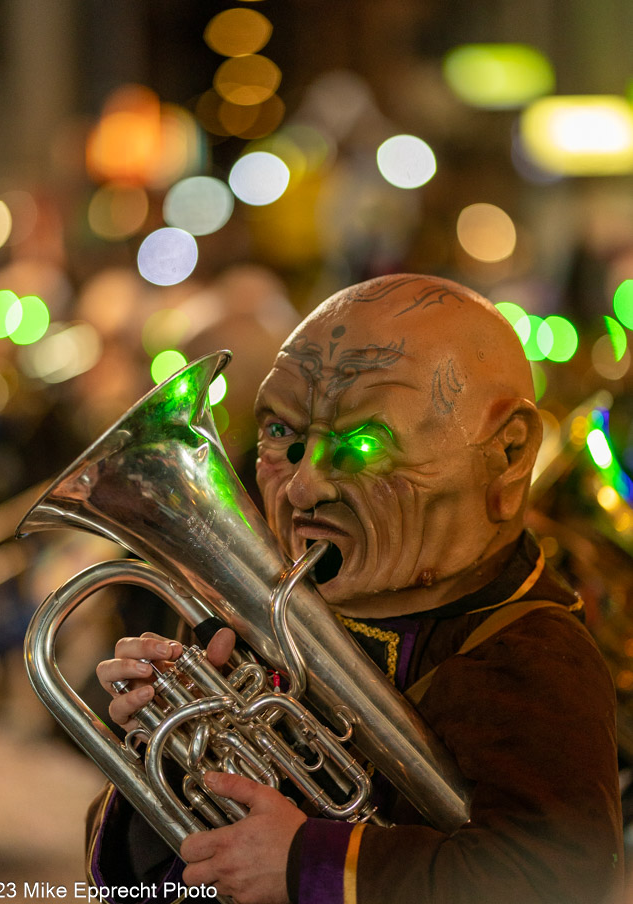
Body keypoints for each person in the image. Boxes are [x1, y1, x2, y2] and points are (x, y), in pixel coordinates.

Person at [89, 273, 623, 904]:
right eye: (283, 436)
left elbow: (560, 883)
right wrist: (165, 758)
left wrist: (309, 863)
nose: (304, 488)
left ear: (507, 454)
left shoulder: (532, 655)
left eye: (365, 443)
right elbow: (146, 884)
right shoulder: (250, 616)